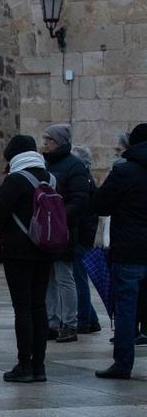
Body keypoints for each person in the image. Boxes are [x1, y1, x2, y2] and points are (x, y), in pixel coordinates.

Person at [0, 135, 54, 383]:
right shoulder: (51, 178)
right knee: (39, 306)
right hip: (45, 249)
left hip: (18, 252)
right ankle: (39, 367)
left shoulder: (15, 179)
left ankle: (24, 364)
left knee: (23, 308)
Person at [92, 123, 147, 379]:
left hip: (129, 250)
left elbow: (101, 205)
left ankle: (123, 364)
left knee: (126, 309)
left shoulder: (124, 172)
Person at [42, 124, 91, 343]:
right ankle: (51, 322)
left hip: (64, 230)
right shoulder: (45, 164)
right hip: (47, 230)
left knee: (64, 277)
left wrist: (60, 218)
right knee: (49, 278)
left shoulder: (75, 166)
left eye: (49, 140)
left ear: (59, 142)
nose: (45, 143)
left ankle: (70, 323)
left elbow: (80, 198)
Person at [69, 145, 101, 335]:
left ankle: (83, 320)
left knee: (78, 279)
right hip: (83, 236)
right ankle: (92, 319)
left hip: (81, 238)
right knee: (78, 278)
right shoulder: (87, 180)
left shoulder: (84, 182)